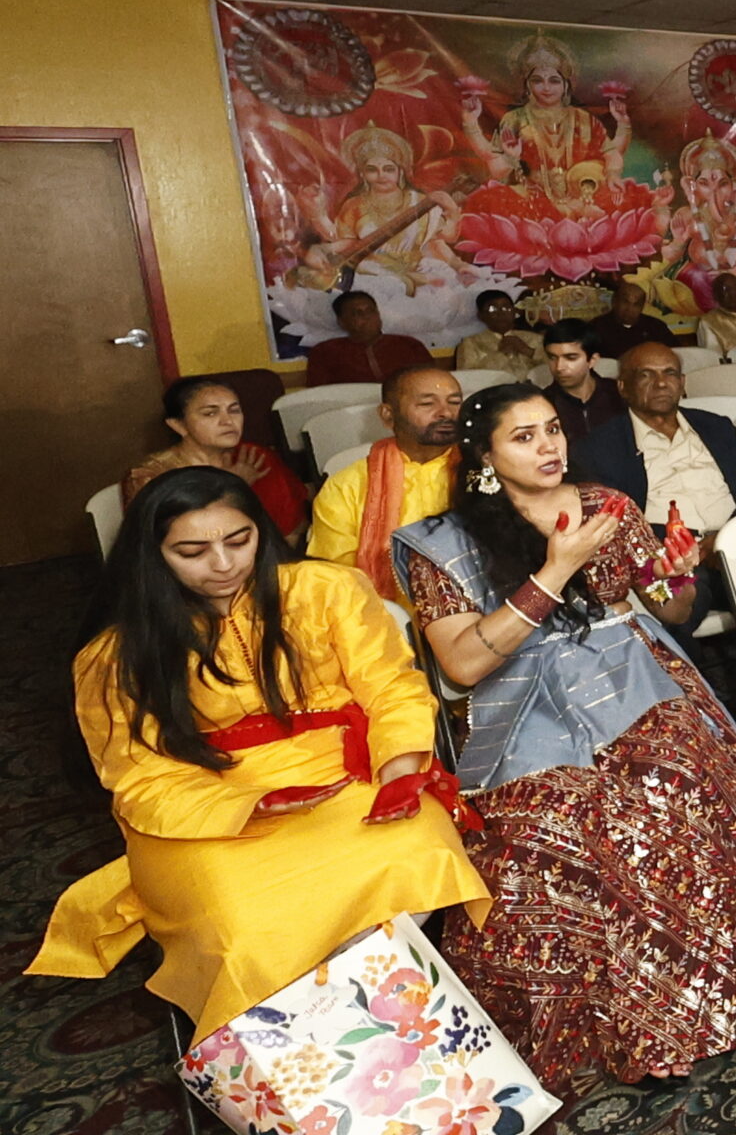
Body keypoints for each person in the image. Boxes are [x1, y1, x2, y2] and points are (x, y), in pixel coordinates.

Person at [397, 385, 736, 1084]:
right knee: (551, 813)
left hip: (633, 675)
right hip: (522, 699)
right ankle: (620, 1021)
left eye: (552, 429)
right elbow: (464, 664)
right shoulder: (445, 543)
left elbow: (671, 609)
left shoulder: (607, 506)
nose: (548, 446)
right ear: (484, 455)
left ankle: (706, 996)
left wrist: (674, 577)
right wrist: (556, 569)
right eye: (524, 436)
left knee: (671, 777)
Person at [31, 469, 488, 1043]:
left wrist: (399, 768)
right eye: (192, 552)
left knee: (412, 854)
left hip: (348, 776)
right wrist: (250, 803)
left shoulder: (327, 589)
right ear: (152, 555)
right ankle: (310, 1049)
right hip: (206, 812)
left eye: (239, 539)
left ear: (261, 530)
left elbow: (392, 688)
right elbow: (139, 777)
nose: (223, 564)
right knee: (240, 922)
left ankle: (367, 1037)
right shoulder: (116, 653)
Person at [568, 342, 736, 650]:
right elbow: (615, 526)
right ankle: (694, 678)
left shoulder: (715, 427)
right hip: (672, 559)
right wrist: (688, 549)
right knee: (671, 610)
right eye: (645, 375)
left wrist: (726, 539)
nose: (661, 383)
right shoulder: (598, 447)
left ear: (682, 382)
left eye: (670, 373)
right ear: (623, 387)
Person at [308, 364, 462, 595]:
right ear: (388, 416)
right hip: (382, 608)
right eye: (427, 404)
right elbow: (335, 576)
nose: (446, 413)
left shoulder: (487, 470)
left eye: (455, 402)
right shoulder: (347, 485)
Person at [125, 376, 308, 540]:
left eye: (234, 410)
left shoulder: (254, 457)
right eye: (210, 413)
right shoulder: (151, 474)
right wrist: (230, 485)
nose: (227, 421)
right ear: (179, 425)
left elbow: (290, 531)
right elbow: (161, 542)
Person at [304, 290, 433, 388]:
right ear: (341, 322)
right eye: (357, 313)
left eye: (370, 311)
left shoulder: (409, 345)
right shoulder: (325, 352)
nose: (367, 317)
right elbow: (320, 394)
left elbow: (431, 382)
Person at [539, 319, 624, 443]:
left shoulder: (619, 394)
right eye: (552, 358)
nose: (559, 367)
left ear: (592, 360)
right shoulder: (542, 404)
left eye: (570, 358)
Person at [454, 289, 545, 377]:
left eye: (506, 308)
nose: (501, 313)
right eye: (492, 309)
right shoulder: (471, 343)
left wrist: (527, 351)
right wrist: (501, 355)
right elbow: (467, 377)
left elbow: (550, 367)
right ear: (481, 316)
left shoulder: (536, 339)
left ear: (514, 311)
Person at [589, 279, 677, 360]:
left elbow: (675, 353)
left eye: (636, 304)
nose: (629, 309)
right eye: (625, 302)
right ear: (614, 301)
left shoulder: (656, 327)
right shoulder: (596, 327)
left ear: (642, 307)